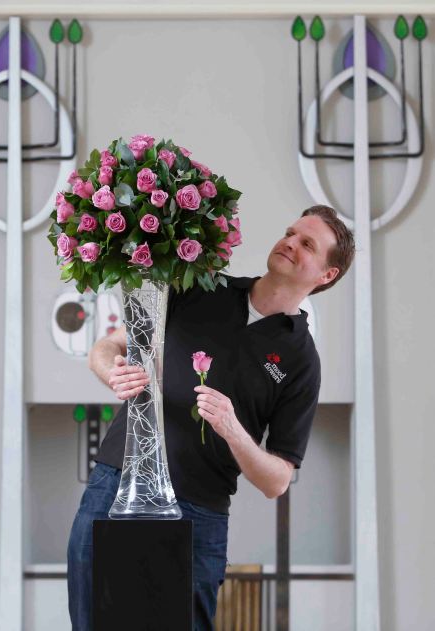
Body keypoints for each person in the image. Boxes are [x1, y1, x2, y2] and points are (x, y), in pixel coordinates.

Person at [66, 205, 355, 631]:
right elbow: (106, 348)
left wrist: (234, 431)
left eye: (307, 243)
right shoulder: (201, 287)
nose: (290, 242)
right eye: (290, 232)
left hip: (196, 512)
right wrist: (114, 372)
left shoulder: (301, 360)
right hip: (115, 484)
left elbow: (276, 480)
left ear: (326, 275)